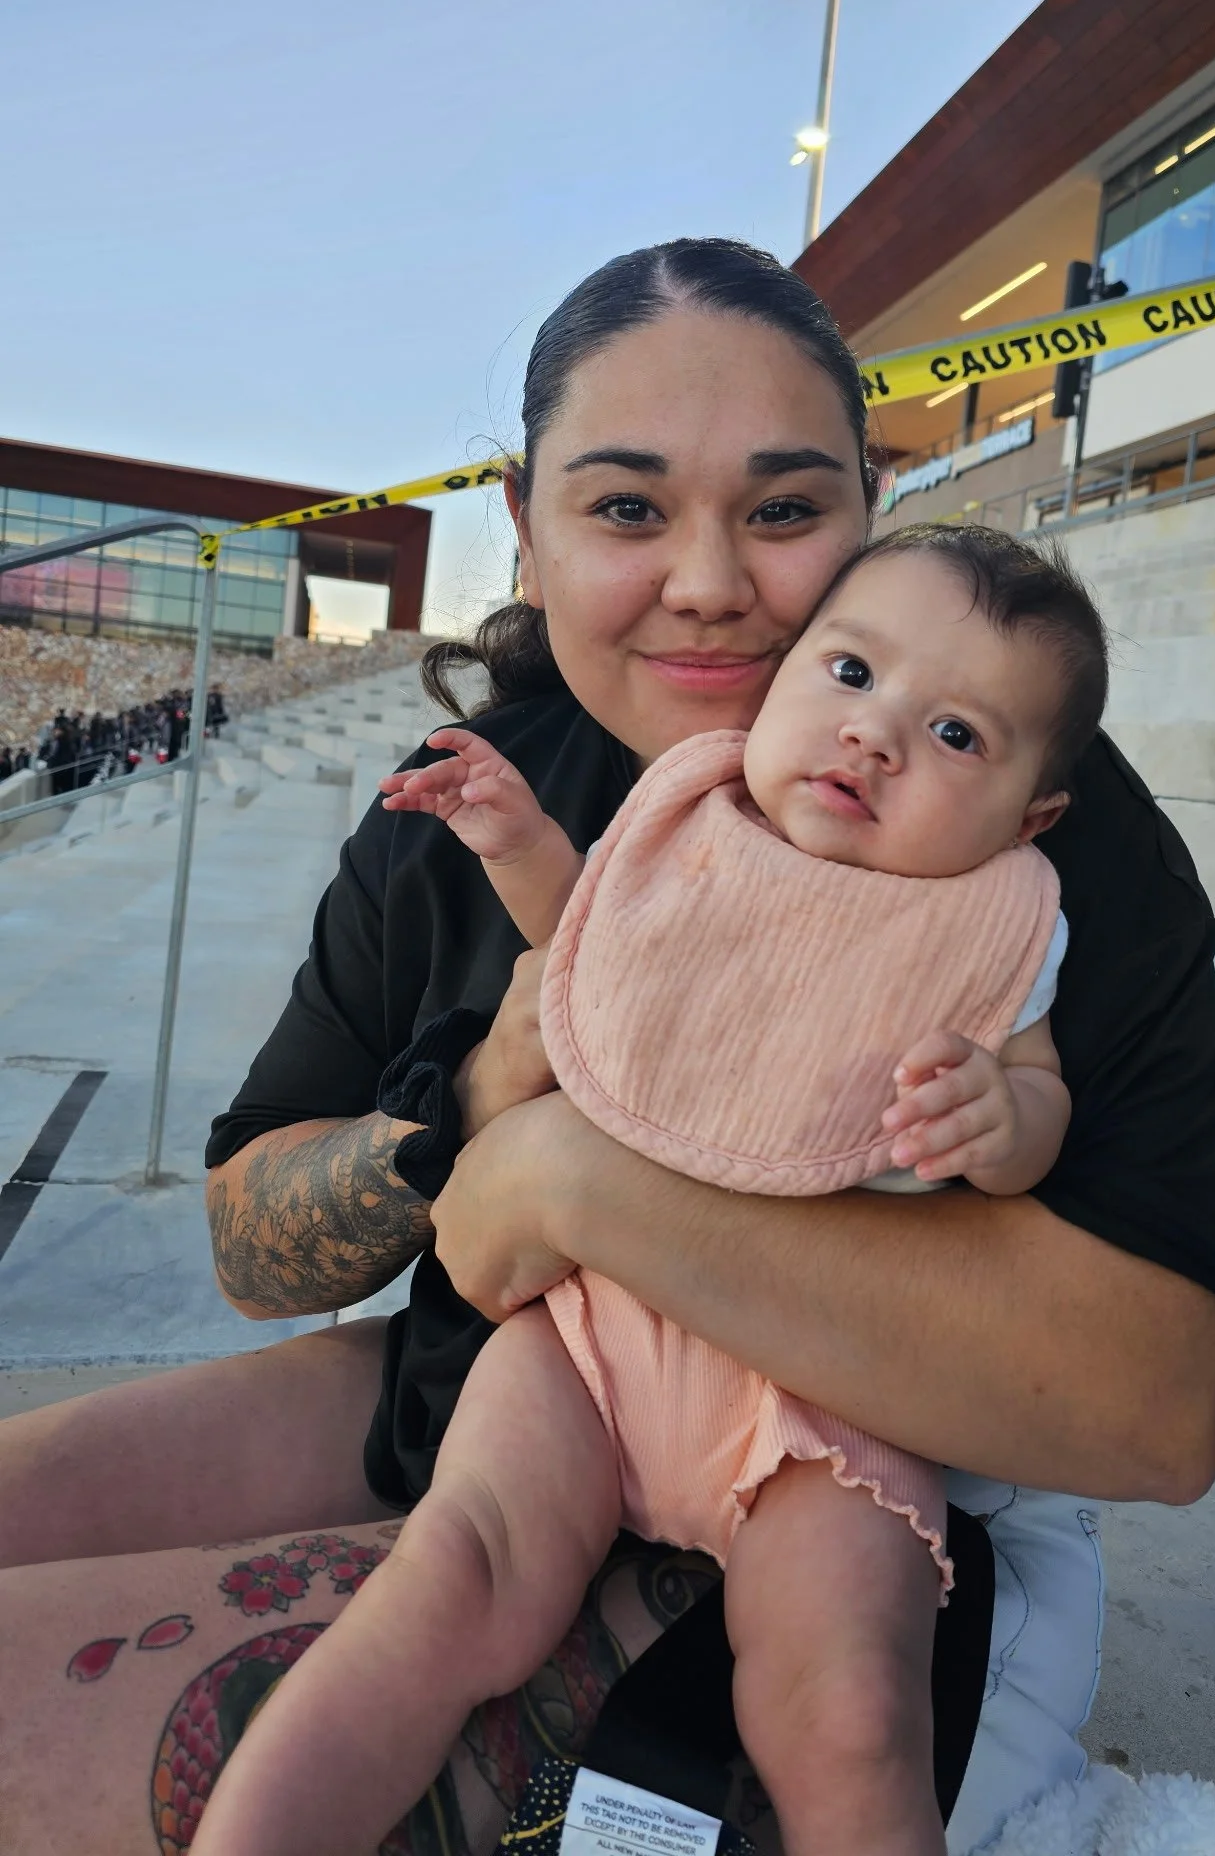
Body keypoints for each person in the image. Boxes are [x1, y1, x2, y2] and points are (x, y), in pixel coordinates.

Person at [0, 238, 1215, 1855]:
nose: (708, 581)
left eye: (782, 507)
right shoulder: (474, 797)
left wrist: (576, 1177)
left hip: (842, 1480)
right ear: (521, 520)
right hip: (496, 1387)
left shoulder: (1008, 835)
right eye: (625, 508)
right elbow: (258, 1243)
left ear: (867, 506)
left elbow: (1162, 1412)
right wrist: (472, 1104)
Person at [195, 524, 1095, 1856]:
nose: (877, 737)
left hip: (826, 1390)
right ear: (783, 681)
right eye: (849, 674)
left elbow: (1043, 1095)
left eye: (957, 734)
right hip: (589, 1341)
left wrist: (1002, 1113)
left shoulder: (995, 923)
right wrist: (514, 842)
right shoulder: (692, 821)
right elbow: (592, 949)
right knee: (449, 1588)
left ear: (1030, 818)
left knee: (844, 1702)